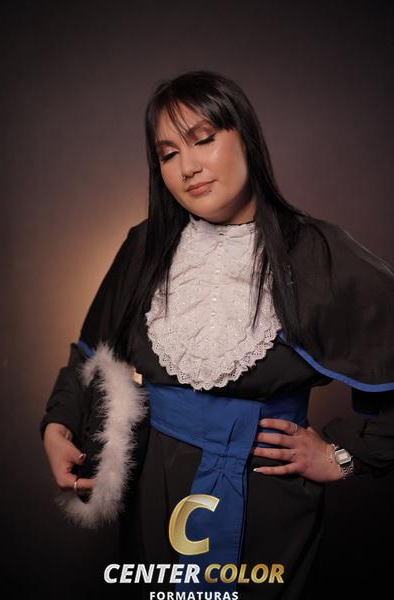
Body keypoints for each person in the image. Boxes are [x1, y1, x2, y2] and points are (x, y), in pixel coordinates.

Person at [40, 70, 394, 600]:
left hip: (262, 496)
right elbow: (94, 353)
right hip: (152, 483)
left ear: (245, 136)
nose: (188, 167)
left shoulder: (317, 252)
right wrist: (59, 423)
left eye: (203, 140)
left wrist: (342, 456)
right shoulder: (146, 245)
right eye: (168, 154)